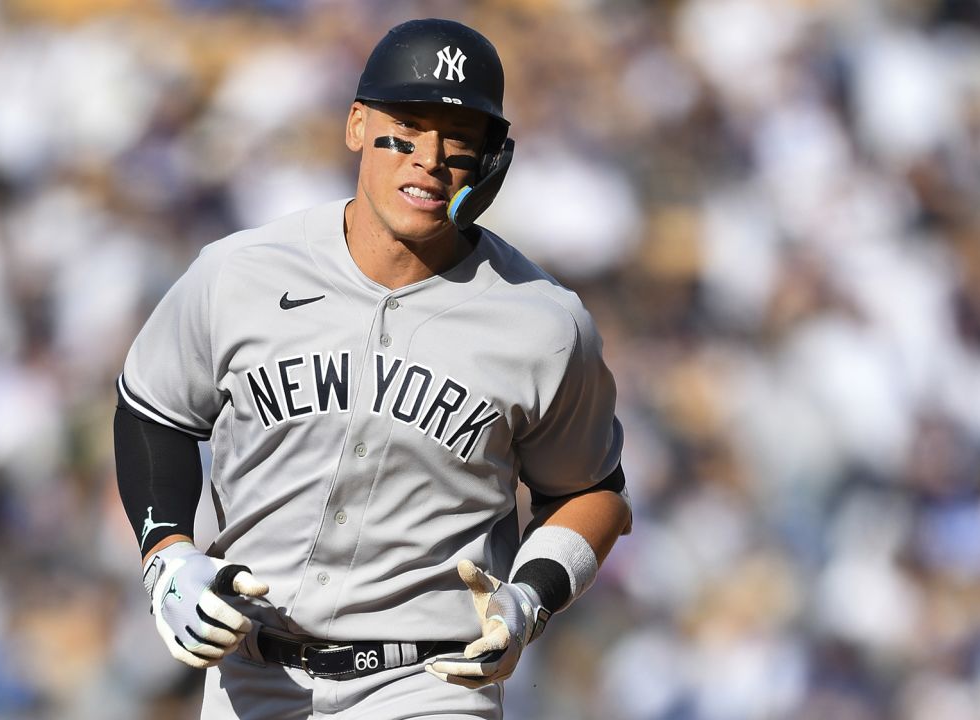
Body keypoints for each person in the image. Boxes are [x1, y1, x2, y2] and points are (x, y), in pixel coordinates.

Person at [113, 17, 631, 719]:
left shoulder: (542, 321)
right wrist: (167, 555)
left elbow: (593, 491)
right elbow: (155, 411)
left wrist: (529, 596)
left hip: (429, 683)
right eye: (407, 129)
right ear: (357, 125)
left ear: (491, 160)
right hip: (252, 675)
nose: (430, 157)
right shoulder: (240, 272)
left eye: (459, 139)